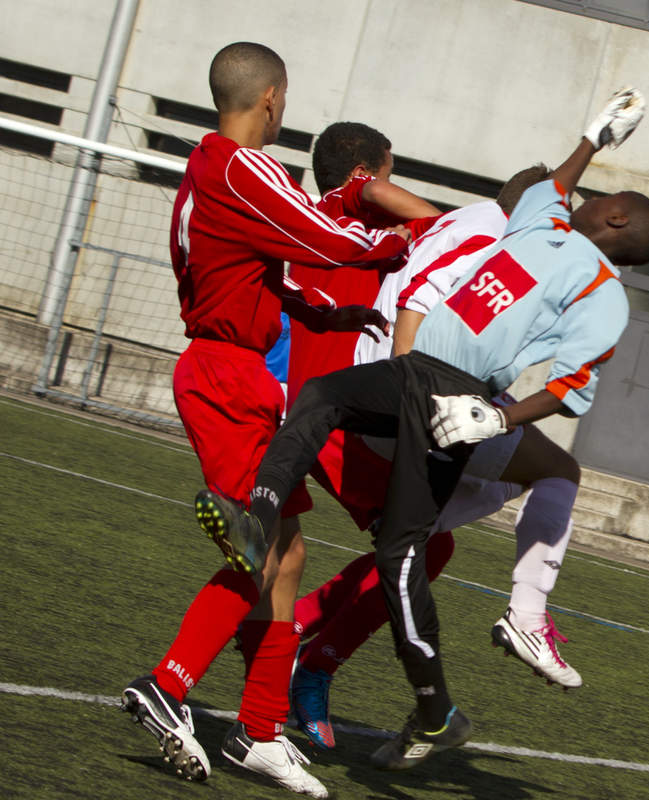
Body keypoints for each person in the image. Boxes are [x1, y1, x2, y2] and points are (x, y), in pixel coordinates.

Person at [195, 86, 649, 770]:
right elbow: (549, 186)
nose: (579, 195)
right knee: (326, 402)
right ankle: (257, 523)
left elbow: (572, 387)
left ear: (615, 216)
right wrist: (592, 136)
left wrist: (498, 413)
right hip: (415, 376)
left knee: (407, 552)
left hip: (460, 402)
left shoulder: (603, 294)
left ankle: (438, 700)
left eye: (600, 197)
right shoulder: (542, 224)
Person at [118, 42, 408, 798]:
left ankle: (260, 729)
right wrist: (412, 239)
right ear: (273, 97)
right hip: (228, 378)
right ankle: (167, 685)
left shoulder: (207, 167)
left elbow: (251, 269)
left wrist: (323, 305)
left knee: (286, 554)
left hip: (226, 373)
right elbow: (326, 239)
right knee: (263, 553)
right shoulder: (243, 167)